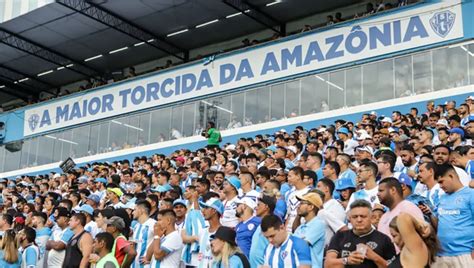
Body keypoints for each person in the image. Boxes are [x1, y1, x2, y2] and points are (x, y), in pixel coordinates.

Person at [325, 200, 396, 267]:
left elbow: (394, 267)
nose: (359, 220)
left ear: (371, 218)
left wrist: (375, 257)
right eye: (355, 217)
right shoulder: (340, 236)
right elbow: (328, 265)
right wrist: (347, 260)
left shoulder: (384, 239)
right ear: (350, 219)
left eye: (363, 216)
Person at [432, 164, 474, 267]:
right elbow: (437, 225)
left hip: (465, 254)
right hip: (441, 255)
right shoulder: (441, 198)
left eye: (441, 182)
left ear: (451, 176)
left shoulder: (471, 194)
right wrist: (429, 213)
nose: (440, 186)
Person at [377, 177, 424, 243]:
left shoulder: (408, 207)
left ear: (393, 190)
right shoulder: (383, 217)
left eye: (381, 190)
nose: (377, 194)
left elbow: (422, 234)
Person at [294, 193, 326, 268]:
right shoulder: (301, 226)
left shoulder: (318, 224)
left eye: (302, 203)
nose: (298, 206)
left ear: (311, 207)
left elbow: (302, 245)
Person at [249, 195, 275, 268]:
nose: (256, 208)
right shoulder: (260, 225)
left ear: (266, 207)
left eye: (258, 205)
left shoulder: (271, 224)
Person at [198, 197, 224, 268]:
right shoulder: (202, 231)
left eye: (206, 208)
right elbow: (200, 254)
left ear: (214, 210)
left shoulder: (224, 233)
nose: (203, 211)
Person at [131, 200, 156, 268]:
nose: (132, 212)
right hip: (134, 264)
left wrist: (152, 260)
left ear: (141, 210)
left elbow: (160, 242)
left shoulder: (153, 224)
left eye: (135, 210)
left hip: (146, 265)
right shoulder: (136, 226)